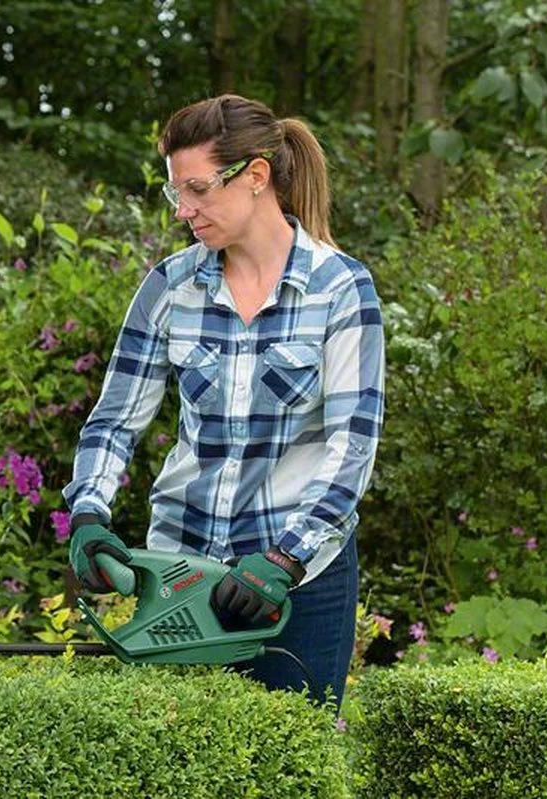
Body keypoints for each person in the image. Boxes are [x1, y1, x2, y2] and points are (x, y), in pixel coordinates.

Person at [63, 94, 384, 708]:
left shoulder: (340, 288)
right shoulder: (170, 286)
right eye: (175, 191)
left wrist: (285, 558)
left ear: (256, 176)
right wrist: (89, 515)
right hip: (181, 572)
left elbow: (352, 448)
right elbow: (114, 422)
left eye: (198, 189)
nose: (183, 209)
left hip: (300, 584)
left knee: (296, 754)